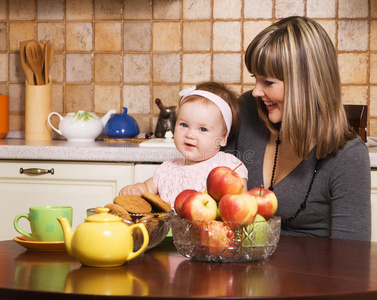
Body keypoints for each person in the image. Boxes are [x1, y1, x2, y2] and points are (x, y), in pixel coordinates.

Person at [223, 16, 371, 241]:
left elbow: (351, 259)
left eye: (268, 82)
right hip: (239, 270)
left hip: (309, 276)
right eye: (255, 78)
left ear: (304, 85)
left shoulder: (347, 155)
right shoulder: (248, 112)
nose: (255, 92)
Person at [119, 81, 248, 207]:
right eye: (184, 125)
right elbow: (147, 188)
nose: (190, 135)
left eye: (202, 129)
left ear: (223, 137)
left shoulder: (228, 166)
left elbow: (240, 205)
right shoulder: (168, 168)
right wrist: (137, 189)